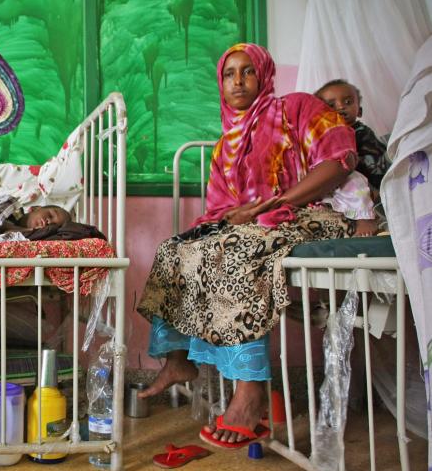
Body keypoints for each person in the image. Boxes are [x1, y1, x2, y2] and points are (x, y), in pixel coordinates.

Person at [136, 43, 360, 449]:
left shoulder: (296, 109)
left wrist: (276, 204)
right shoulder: (226, 146)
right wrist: (236, 217)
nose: (237, 81)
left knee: (237, 250)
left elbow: (339, 160)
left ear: (264, 76)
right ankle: (179, 359)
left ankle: (251, 388)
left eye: (247, 72)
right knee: (177, 249)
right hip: (259, 224)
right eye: (228, 74)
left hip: (311, 215)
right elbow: (222, 211)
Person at [316, 79, 393, 233]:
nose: (341, 107)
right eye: (331, 105)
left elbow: (375, 161)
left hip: (371, 180)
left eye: (348, 101)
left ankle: (366, 219)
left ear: (359, 111)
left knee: (353, 179)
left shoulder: (360, 131)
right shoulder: (322, 136)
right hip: (338, 181)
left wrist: (378, 188)